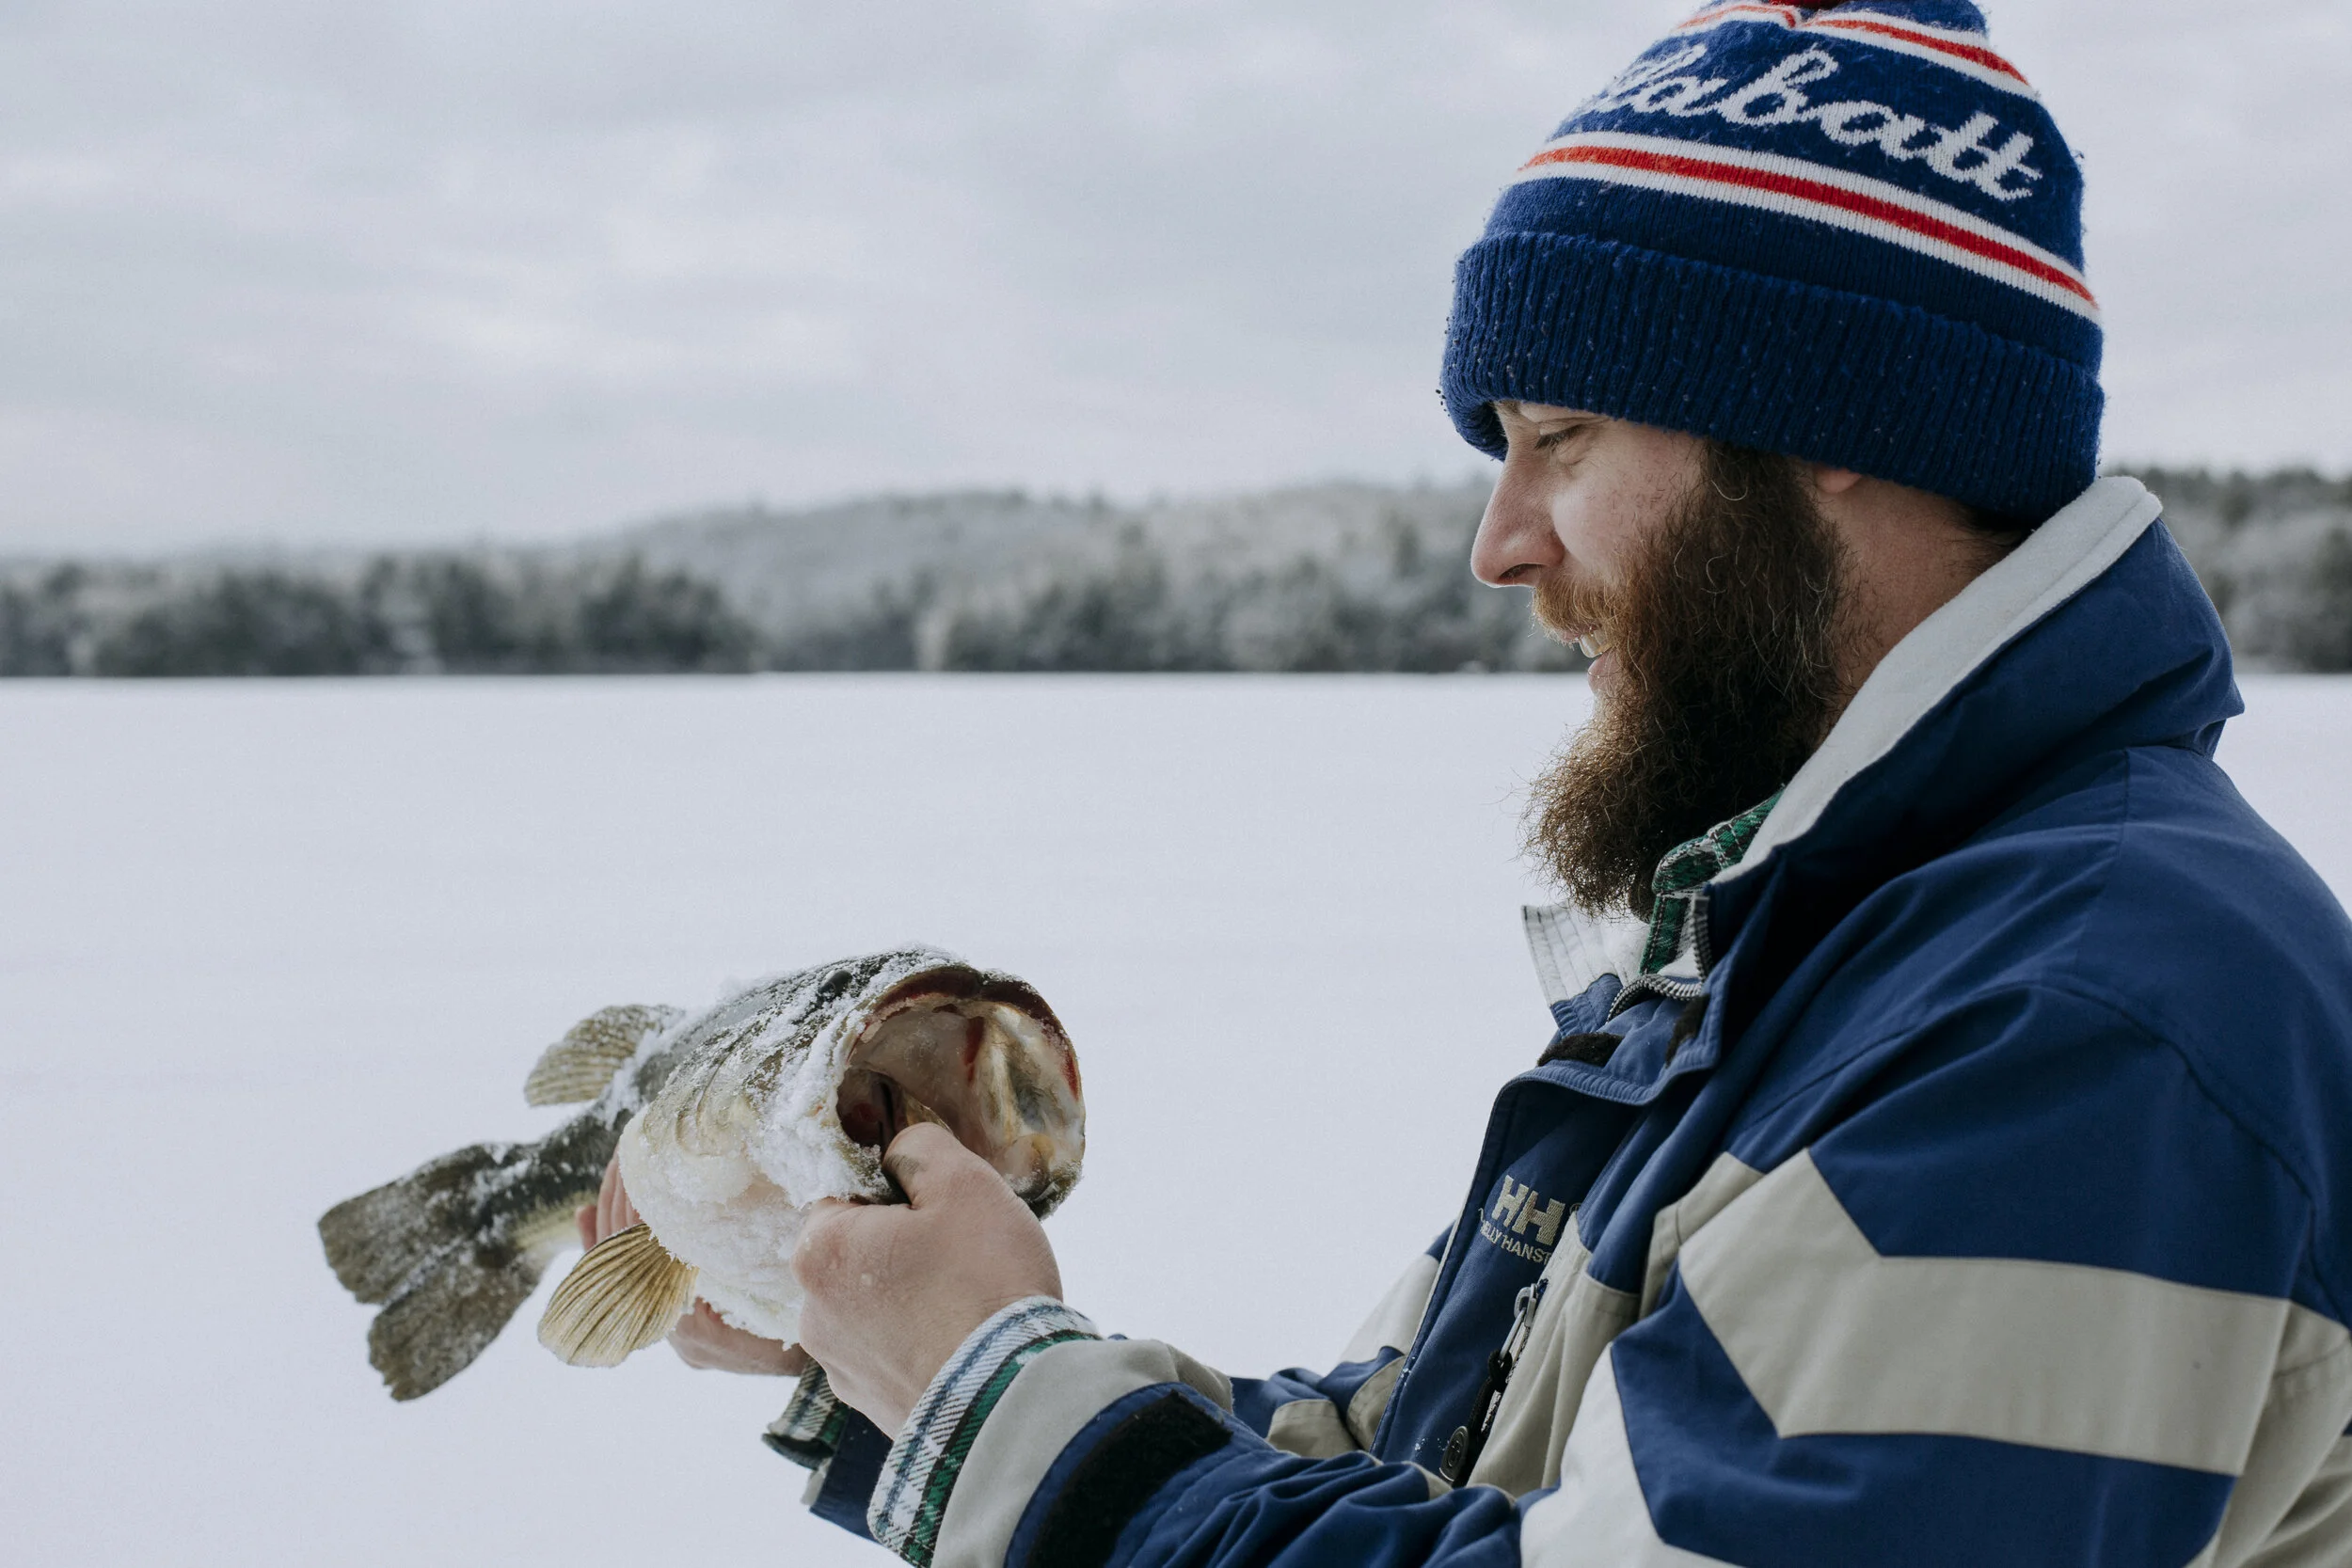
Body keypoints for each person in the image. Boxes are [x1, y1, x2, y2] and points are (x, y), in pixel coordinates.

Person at [583, 4, 2352, 1563]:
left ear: (1831, 429)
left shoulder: (2095, 1025)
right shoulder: (1807, 943)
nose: (1498, 544)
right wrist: (922, 1380)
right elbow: (1438, 1468)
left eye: (1556, 440)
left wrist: (1012, 1412)